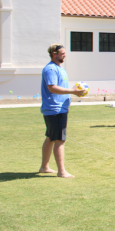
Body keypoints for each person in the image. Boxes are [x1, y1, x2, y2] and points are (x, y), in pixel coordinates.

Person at [39, 43, 85, 178]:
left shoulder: (60, 69)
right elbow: (52, 88)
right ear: (54, 54)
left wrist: (73, 91)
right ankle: (61, 171)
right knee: (59, 139)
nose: (65, 55)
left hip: (59, 109)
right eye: (62, 53)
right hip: (55, 110)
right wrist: (73, 91)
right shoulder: (50, 69)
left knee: (51, 138)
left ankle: (44, 167)